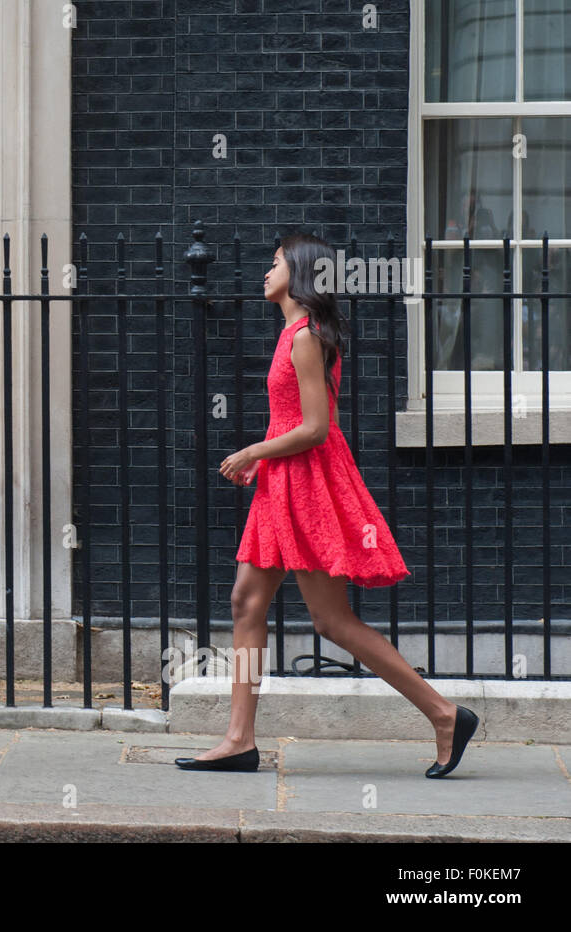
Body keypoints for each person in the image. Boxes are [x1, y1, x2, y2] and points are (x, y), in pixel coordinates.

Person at [173, 233, 478, 778]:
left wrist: (252, 451)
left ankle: (443, 713)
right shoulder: (292, 333)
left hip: (307, 485)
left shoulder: (306, 337)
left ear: (299, 271)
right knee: (246, 602)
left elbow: (316, 429)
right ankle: (239, 739)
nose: (265, 274)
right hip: (281, 483)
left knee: (331, 620)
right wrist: (264, 463)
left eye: (273, 265)